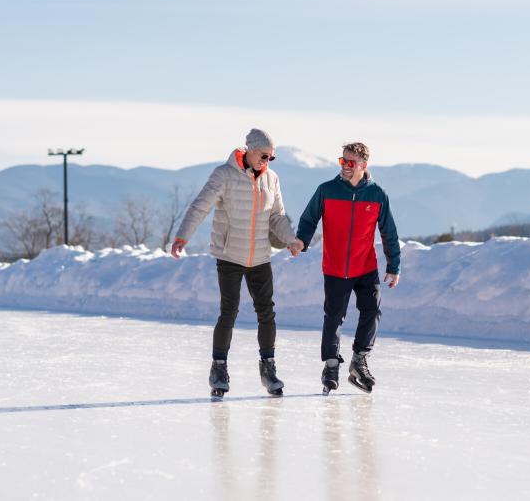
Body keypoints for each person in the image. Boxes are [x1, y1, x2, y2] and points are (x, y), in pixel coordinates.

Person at [171, 128, 300, 398]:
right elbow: (200, 206)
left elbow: (277, 215)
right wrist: (183, 236)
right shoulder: (224, 175)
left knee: (267, 312)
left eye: (271, 157)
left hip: (261, 256)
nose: (267, 161)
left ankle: (268, 367)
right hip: (230, 255)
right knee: (228, 311)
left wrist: (290, 239)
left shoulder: (272, 179)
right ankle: (219, 369)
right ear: (249, 150)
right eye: (264, 155)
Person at [291, 142, 401, 394]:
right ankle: (330, 366)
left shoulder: (377, 195)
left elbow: (389, 233)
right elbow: (309, 219)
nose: (345, 167)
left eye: (351, 163)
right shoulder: (326, 190)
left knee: (372, 311)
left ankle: (359, 360)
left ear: (364, 165)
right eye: (342, 161)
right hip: (335, 267)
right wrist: (301, 241)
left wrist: (393, 265)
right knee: (334, 318)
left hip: (365, 267)